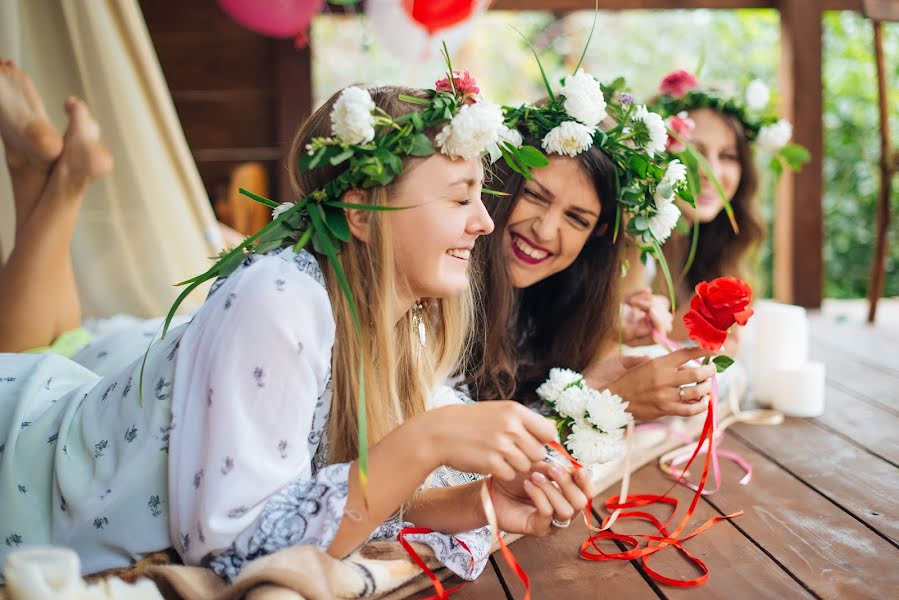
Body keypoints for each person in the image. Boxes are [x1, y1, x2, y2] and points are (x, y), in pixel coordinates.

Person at [0, 62, 595, 583]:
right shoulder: (279, 298)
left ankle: (39, 177)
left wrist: (474, 500)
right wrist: (428, 439)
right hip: (20, 468)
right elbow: (233, 552)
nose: (484, 224)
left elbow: (322, 493)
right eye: (459, 198)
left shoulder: (405, 325)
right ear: (363, 210)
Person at [464, 69, 717, 424]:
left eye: (577, 219)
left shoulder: (549, 303)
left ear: (596, 234)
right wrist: (605, 405)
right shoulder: (442, 294)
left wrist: (594, 376)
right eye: (534, 196)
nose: (545, 230)